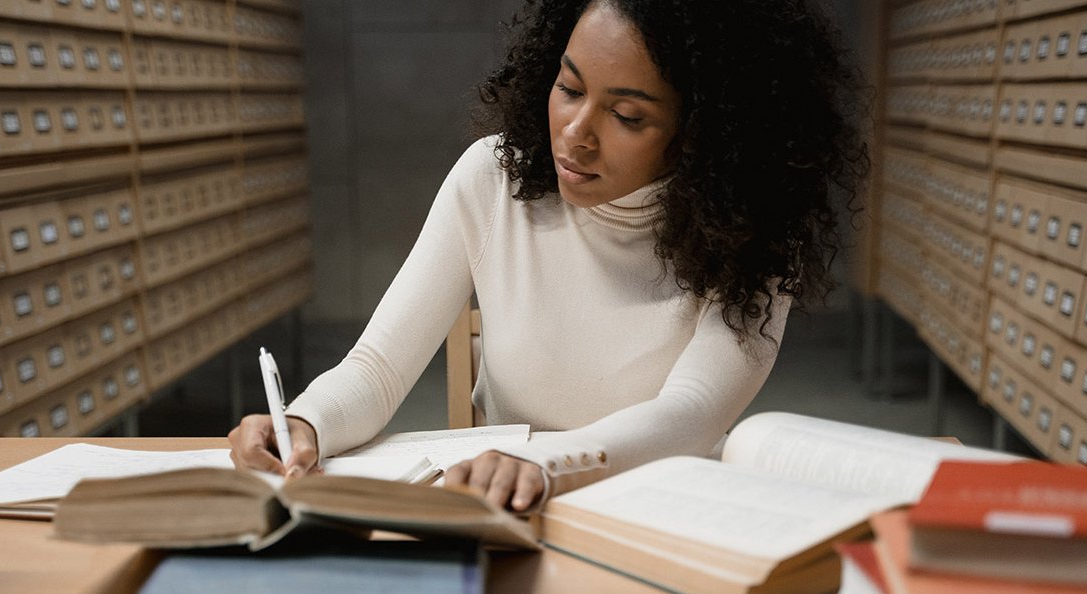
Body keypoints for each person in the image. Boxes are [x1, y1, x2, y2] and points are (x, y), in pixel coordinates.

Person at [229, 0, 868, 512]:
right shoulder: (492, 181)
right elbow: (376, 368)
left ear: (703, 135)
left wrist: (545, 464)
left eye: (625, 115)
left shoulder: (754, 237)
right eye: (569, 87)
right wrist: (305, 423)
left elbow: (691, 415)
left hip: (659, 513)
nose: (576, 131)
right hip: (513, 513)